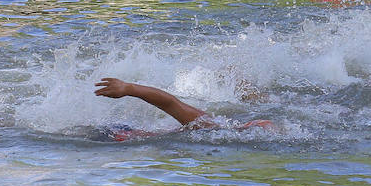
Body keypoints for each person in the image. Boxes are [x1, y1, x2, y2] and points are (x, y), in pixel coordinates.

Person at [94, 77, 278, 138]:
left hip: (121, 135)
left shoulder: (215, 129)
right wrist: (128, 88)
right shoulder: (209, 126)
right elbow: (170, 103)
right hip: (118, 134)